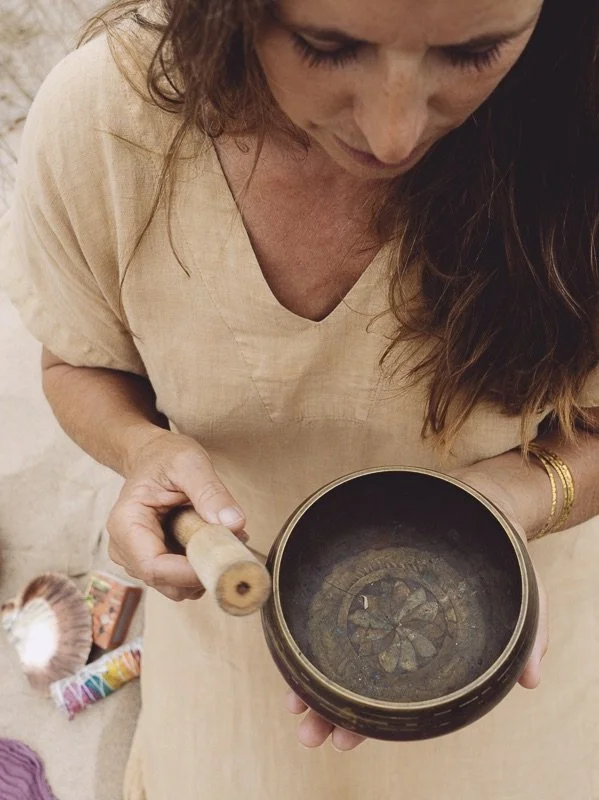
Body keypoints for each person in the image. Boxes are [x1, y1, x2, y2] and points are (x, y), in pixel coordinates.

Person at [1, 0, 599, 796]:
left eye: (473, 52)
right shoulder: (107, 120)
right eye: (327, 47)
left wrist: (511, 496)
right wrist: (142, 448)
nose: (392, 135)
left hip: (513, 636)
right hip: (228, 634)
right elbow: (79, 362)